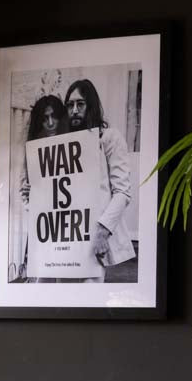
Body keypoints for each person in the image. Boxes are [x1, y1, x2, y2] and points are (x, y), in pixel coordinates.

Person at [64, 78, 135, 277]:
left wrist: (102, 232)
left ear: (91, 105)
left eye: (80, 104)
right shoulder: (62, 145)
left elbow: (122, 193)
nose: (75, 110)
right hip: (65, 235)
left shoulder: (109, 138)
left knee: (88, 294)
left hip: (93, 234)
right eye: (70, 105)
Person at [17, 95, 66, 280]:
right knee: (41, 278)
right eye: (45, 118)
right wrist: (30, 196)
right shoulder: (32, 148)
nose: (51, 123)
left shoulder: (72, 142)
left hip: (69, 222)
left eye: (54, 116)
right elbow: (24, 187)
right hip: (43, 223)